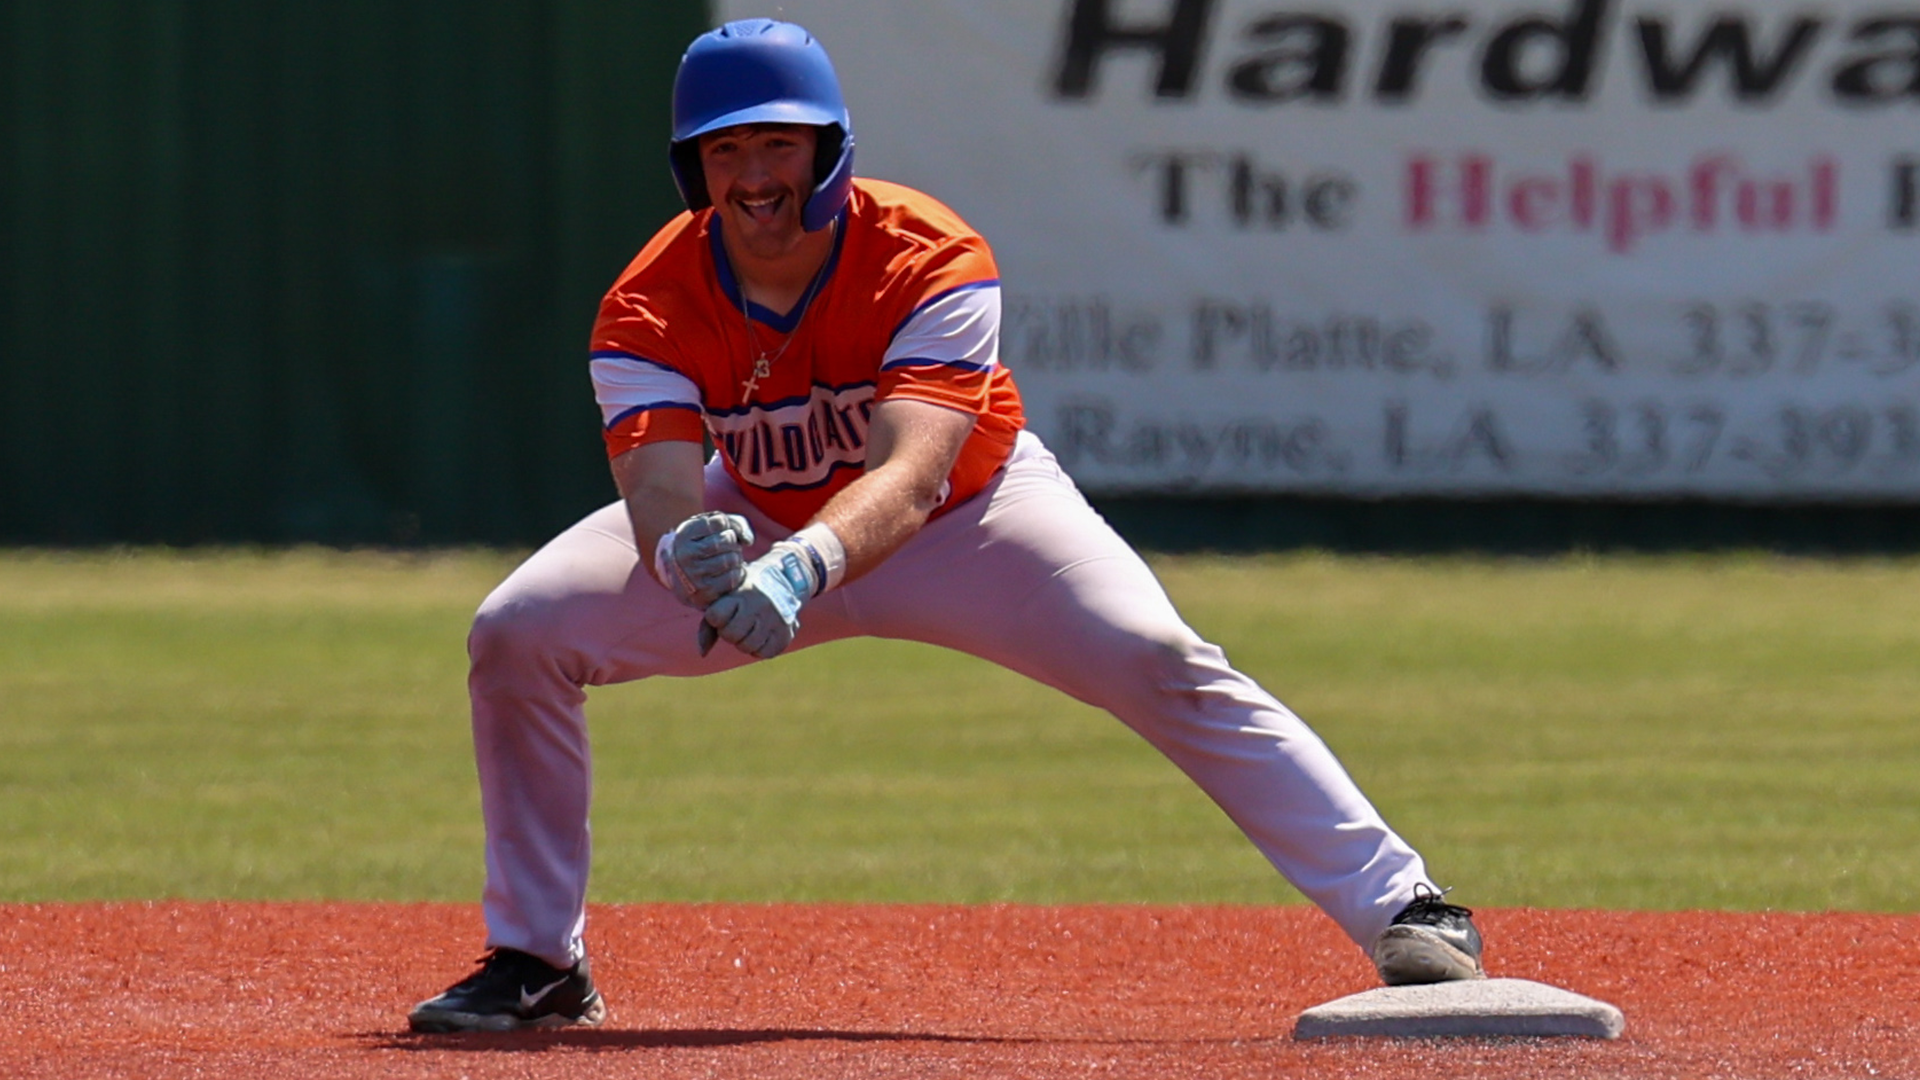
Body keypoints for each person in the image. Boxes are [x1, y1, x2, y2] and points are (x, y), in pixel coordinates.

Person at [407, 18, 1485, 1034]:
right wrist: (684, 553)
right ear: (692, 169)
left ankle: (1405, 908)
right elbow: (659, 489)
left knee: (1161, 657)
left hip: (977, 523)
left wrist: (799, 572)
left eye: (777, 144)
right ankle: (539, 963)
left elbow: (913, 474)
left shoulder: (926, 251)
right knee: (518, 632)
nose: (752, 177)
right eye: (723, 150)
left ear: (830, 152)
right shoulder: (649, 299)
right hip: (765, 519)